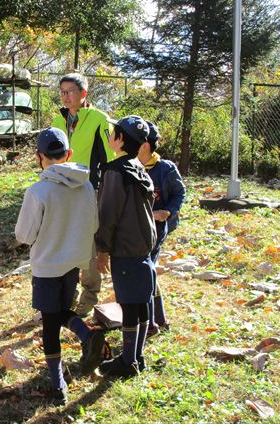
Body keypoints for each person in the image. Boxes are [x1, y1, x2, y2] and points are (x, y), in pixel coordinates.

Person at [15, 128, 103, 404]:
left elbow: (24, 235)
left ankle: (58, 384)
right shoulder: (86, 185)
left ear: (39, 156)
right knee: (60, 312)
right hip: (72, 262)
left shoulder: (38, 191)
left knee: (50, 324)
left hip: (46, 264)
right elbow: (94, 225)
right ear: (68, 154)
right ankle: (85, 335)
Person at [95, 116, 157, 378]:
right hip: (143, 248)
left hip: (125, 249)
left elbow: (108, 214)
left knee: (130, 306)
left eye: (112, 132)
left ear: (119, 139)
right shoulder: (138, 167)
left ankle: (128, 362)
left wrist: (102, 249)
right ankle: (137, 356)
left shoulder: (115, 171)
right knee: (141, 304)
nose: (110, 136)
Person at [51, 73, 115, 317]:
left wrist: (104, 190)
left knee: (89, 244)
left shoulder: (99, 119)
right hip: (61, 190)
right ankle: (69, 292)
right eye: (63, 91)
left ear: (83, 94)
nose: (66, 96)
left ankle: (90, 295)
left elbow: (108, 159)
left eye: (70, 91)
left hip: (89, 190)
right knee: (65, 240)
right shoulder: (58, 120)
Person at [137, 121, 186, 337]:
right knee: (148, 271)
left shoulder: (165, 169)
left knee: (146, 270)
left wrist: (167, 210)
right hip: (136, 228)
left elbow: (179, 192)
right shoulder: (130, 166)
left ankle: (151, 322)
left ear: (145, 145)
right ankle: (158, 318)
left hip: (156, 227)